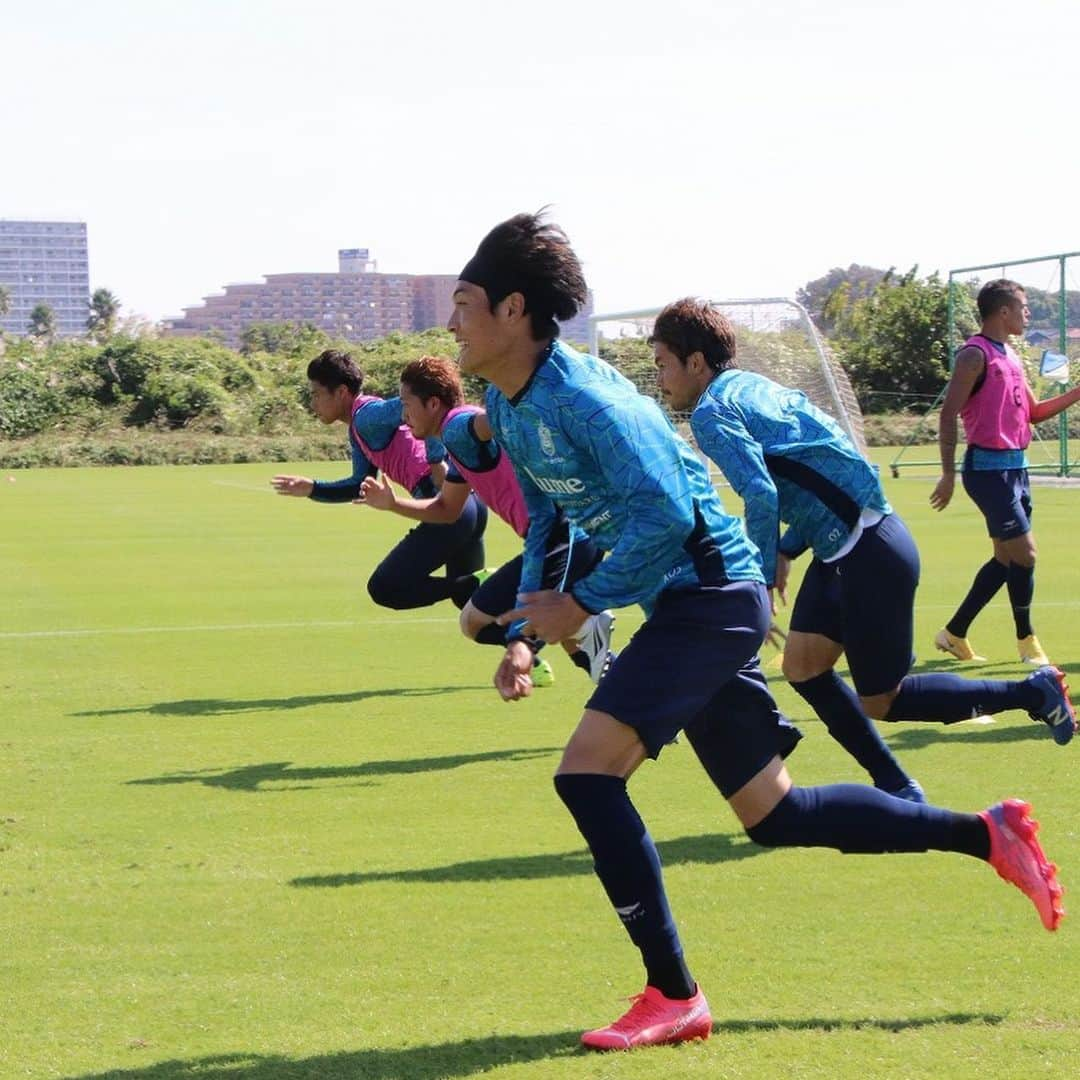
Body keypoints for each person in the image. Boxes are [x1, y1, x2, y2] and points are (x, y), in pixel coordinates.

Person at [449, 212, 1065, 1052]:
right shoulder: (506, 402)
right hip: (691, 604)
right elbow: (552, 516)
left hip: (712, 594)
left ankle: (673, 994)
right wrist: (526, 623)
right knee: (774, 814)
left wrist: (586, 602)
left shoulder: (587, 397)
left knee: (587, 776)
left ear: (513, 310)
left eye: (463, 303)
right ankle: (984, 832)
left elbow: (667, 513)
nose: (452, 323)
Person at [650, 297, 1077, 758]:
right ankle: (893, 785)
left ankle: (1032, 693)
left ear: (695, 362)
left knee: (882, 699)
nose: (658, 380)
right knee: (802, 667)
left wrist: (756, 578)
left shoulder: (711, 413)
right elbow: (822, 468)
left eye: (661, 364)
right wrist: (789, 548)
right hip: (857, 544)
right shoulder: (752, 386)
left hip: (865, 552)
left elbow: (761, 493)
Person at [359, 353, 615, 683]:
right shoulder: (456, 444)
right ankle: (641, 709)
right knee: (571, 641)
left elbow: (490, 419)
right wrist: (393, 504)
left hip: (561, 538)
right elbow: (447, 509)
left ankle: (585, 624)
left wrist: (528, 403)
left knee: (476, 622)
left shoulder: (456, 426)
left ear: (433, 403)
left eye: (407, 405)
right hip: (562, 540)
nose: (403, 416)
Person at [931, 279, 1080, 665]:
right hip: (988, 471)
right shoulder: (973, 355)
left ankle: (953, 633)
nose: (1027, 314)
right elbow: (948, 414)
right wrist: (947, 474)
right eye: (1023, 308)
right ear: (1003, 312)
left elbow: (1034, 413)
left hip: (1017, 469)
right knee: (1026, 556)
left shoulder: (1011, 355)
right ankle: (1027, 640)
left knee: (1005, 559)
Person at [271, 349, 488, 612]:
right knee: (474, 604)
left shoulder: (367, 417)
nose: (313, 404)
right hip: (469, 505)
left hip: (449, 504)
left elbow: (431, 406)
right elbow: (358, 485)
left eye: (316, 394)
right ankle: (523, 644)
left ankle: (497, 582)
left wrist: (435, 459)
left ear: (341, 392)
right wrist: (312, 489)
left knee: (386, 587)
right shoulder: (359, 428)